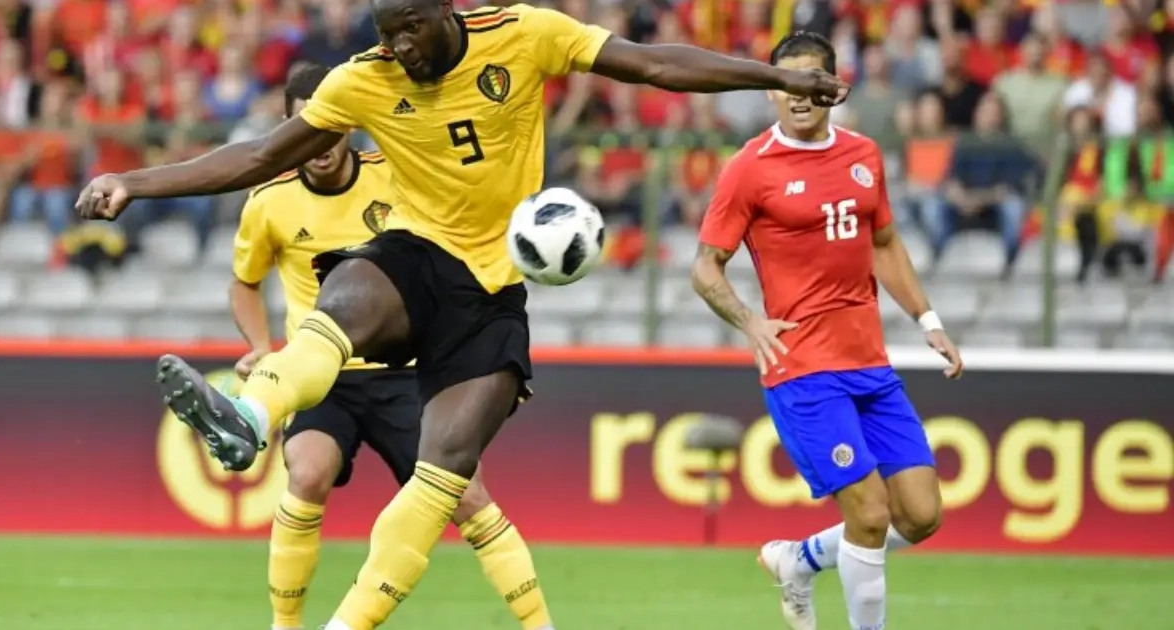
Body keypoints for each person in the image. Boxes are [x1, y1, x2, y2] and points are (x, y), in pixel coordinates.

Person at [75, 3, 847, 628]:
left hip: (493, 298)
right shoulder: (364, 78)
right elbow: (257, 156)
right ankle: (250, 416)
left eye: (411, 26)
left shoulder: (525, 34)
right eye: (387, 32)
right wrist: (135, 182)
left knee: (442, 478)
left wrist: (774, 75)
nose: (400, 46)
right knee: (346, 295)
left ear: (446, 10)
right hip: (418, 256)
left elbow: (653, 64)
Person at [233, 63, 555, 630]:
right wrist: (260, 343)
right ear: (289, 129)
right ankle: (285, 625)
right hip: (323, 374)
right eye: (306, 130)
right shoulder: (269, 202)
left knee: (468, 497)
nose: (320, 145)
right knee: (306, 474)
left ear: (347, 124)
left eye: (329, 129)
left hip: (400, 368)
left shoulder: (393, 175)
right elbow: (245, 282)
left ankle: (539, 623)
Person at [691, 32, 963, 630]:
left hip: (869, 363)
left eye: (809, 81)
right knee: (869, 512)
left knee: (920, 515)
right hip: (803, 369)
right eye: (784, 82)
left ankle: (800, 559)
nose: (797, 94)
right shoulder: (750, 168)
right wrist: (749, 321)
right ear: (770, 91)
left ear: (834, 89)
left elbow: (884, 244)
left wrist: (928, 320)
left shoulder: (864, 155)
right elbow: (705, 266)